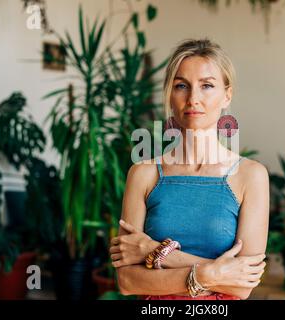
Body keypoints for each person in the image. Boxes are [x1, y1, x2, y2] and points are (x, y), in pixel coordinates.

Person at [109, 38, 269, 300]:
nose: (193, 98)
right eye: (182, 86)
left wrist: (154, 251)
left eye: (207, 86)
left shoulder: (250, 176)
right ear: (170, 95)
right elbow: (128, 281)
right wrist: (208, 275)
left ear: (227, 95)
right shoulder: (143, 174)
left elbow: (242, 285)